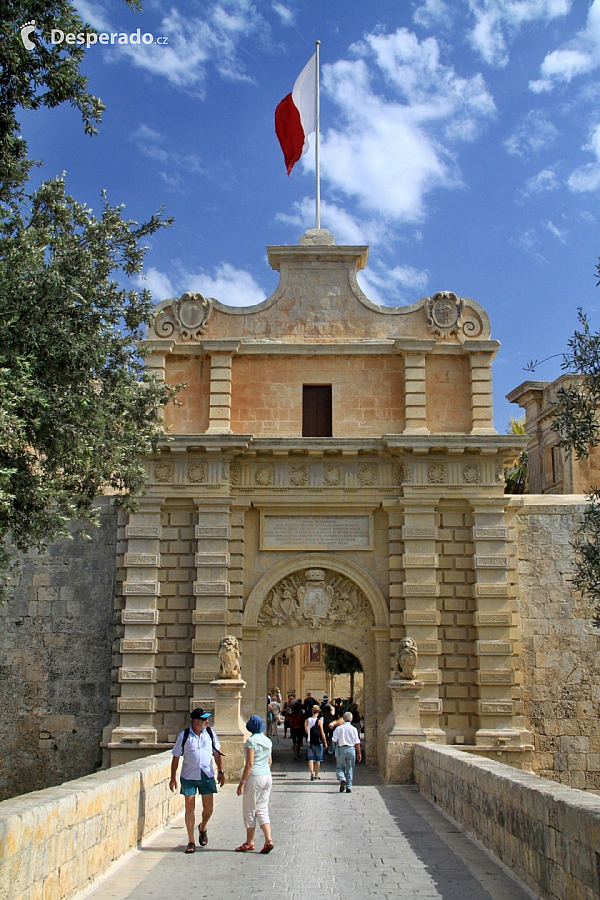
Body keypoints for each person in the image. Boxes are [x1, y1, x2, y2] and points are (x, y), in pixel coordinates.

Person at [170, 708, 225, 853]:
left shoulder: (210, 734)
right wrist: (172, 778)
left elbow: (217, 753)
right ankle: (191, 841)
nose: (207, 722)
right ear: (196, 722)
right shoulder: (184, 736)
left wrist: (221, 771)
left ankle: (202, 827)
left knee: (208, 809)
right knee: (189, 807)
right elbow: (176, 757)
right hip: (189, 776)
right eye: (204, 720)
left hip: (206, 775)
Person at [235, 715, 274, 854]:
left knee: (250, 809)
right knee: (262, 808)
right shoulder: (268, 741)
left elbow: (249, 764)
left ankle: (249, 842)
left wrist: (242, 782)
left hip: (255, 777)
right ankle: (268, 839)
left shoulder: (251, 741)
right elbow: (270, 761)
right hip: (267, 776)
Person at [332, 711, 362, 793]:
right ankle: (349, 787)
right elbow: (357, 742)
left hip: (341, 749)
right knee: (350, 768)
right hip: (351, 749)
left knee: (340, 767)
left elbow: (334, 740)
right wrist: (359, 753)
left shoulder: (339, 728)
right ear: (351, 719)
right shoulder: (354, 729)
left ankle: (342, 779)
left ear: (344, 719)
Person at [305, 704, 327, 780]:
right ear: (318, 712)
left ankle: (312, 773)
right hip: (318, 742)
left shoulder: (307, 720)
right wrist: (325, 742)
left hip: (309, 741)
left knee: (310, 758)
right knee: (318, 759)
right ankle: (317, 774)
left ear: (312, 711)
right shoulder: (319, 721)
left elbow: (306, 731)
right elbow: (322, 732)